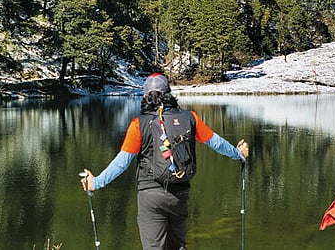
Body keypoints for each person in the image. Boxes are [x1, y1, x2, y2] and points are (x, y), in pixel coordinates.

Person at [81, 73, 249, 250]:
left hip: (150, 195)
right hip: (180, 195)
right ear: (169, 93)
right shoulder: (190, 118)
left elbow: (122, 163)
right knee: (178, 246)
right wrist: (238, 154)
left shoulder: (139, 124)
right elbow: (216, 143)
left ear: (146, 96)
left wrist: (96, 183)